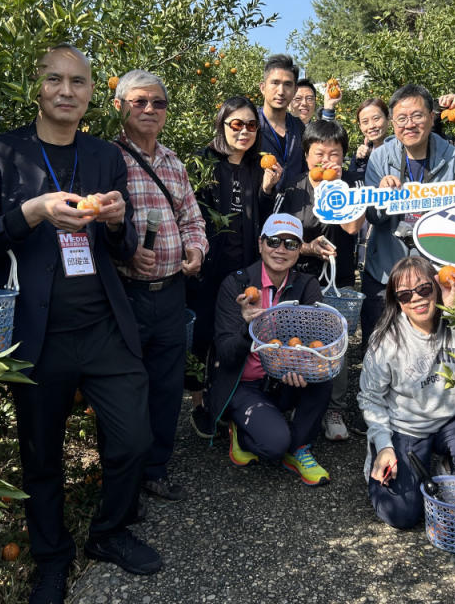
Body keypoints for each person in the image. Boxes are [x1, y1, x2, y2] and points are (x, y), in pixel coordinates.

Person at [0, 44, 160, 604]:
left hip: (103, 324)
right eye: (55, 80)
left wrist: (119, 222)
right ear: (38, 86)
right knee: (41, 453)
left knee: (133, 439)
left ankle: (109, 531)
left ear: (94, 92)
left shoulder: (103, 157)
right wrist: (34, 211)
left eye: (78, 82)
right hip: (35, 330)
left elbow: (119, 248)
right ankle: (51, 556)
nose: (66, 91)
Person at [111, 70, 209, 503]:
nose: (150, 109)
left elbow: (192, 218)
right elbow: (94, 224)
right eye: (139, 101)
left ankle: (156, 469)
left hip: (170, 293)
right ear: (120, 106)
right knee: (125, 390)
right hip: (125, 295)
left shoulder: (173, 162)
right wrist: (126, 252)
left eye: (158, 103)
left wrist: (196, 250)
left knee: (168, 387)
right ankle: (122, 478)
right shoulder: (108, 159)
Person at [359, 256, 455, 529]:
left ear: (437, 287)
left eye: (424, 289)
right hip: (408, 427)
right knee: (400, 515)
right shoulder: (386, 341)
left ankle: (451, 465)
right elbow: (370, 398)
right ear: (396, 301)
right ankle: (402, 461)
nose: (416, 298)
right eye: (405, 294)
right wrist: (384, 446)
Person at [206, 213, 333, 486]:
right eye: (274, 241)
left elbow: (314, 344)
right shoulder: (236, 285)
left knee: (324, 372)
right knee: (274, 444)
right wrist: (247, 326)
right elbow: (227, 353)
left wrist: (298, 365)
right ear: (261, 243)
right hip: (246, 384)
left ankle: (298, 448)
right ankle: (242, 428)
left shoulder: (306, 285)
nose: (281, 249)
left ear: (300, 250)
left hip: (284, 379)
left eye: (290, 244)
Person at [186, 97, 282, 437]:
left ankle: (226, 396)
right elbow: (191, 211)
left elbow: (264, 217)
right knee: (203, 334)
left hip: (245, 266)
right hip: (210, 264)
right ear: (222, 125)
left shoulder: (259, 165)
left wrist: (268, 190)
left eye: (251, 125)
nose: (243, 131)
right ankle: (198, 402)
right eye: (236, 124)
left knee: (235, 333)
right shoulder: (203, 162)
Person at [274, 119, 364, 440]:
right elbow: (278, 240)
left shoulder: (353, 185)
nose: (326, 160)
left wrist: (340, 190)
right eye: (319, 153)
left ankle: (334, 408)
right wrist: (308, 248)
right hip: (300, 279)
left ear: (344, 156)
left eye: (334, 154)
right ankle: (301, 402)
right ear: (307, 154)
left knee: (336, 345)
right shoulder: (293, 189)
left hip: (338, 280)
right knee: (301, 345)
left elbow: (353, 229)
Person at [361, 84, 455, 348]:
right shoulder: (380, 157)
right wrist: (381, 198)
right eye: (401, 119)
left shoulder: (454, 159)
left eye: (417, 116)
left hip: (434, 270)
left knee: (432, 346)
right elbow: (373, 217)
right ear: (393, 123)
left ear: (431, 116)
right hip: (386, 268)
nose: (409, 124)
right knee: (379, 344)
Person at [258, 54, 306, 190]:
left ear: (295, 90)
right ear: (262, 87)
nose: (281, 91)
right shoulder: (250, 124)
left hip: (294, 207)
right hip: (259, 207)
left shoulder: (298, 127)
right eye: (275, 83)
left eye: (287, 84)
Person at [350, 98, 390, 180]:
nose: (371, 126)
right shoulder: (360, 158)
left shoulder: (401, 149)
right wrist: (360, 161)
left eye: (376, 119)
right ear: (360, 126)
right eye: (365, 122)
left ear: (388, 119)